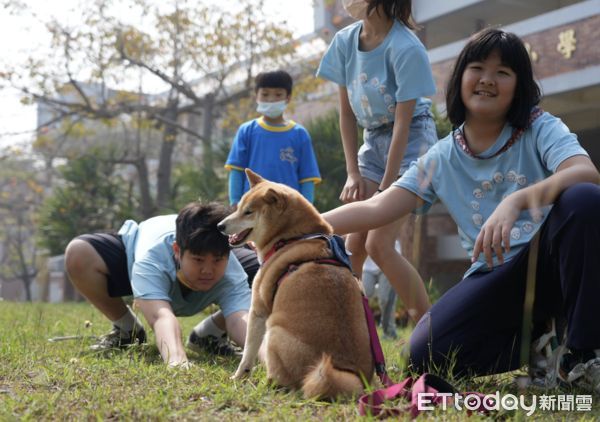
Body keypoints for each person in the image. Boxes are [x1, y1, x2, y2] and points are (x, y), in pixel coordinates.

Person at [322, 28, 600, 392]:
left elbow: (586, 172)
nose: (487, 79)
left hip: (548, 261)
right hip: (494, 275)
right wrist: (300, 224)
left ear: (519, 85)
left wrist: (515, 200)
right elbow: (377, 206)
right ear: (460, 79)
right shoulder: (441, 155)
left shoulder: (539, 128)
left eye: (503, 72)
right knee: (423, 357)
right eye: (477, 67)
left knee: (583, 199)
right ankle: (542, 345)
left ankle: (581, 354)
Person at [316, 0, 437, 322]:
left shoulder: (406, 47)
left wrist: (385, 188)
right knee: (352, 247)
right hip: (373, 141)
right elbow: (345, 113)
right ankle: (343, 326)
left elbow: (402, 124)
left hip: (413, 141)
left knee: (380, 245)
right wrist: (352, 173)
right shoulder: (344, 42)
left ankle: (431, 335)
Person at [64, 201, 259, 367]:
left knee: (273, 274)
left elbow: (240, 319)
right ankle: (127, 329)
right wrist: (177, 361)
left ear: (228, 254)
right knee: (79, 252)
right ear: (177, 250)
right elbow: (161, 317)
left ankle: (209, 335)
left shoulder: (232, 271)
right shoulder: (150, 260)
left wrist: (271, 360)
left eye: (218, 260)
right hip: (133, 261)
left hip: (213, 252)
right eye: (198, 260)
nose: (208, 270)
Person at [225, 70, 321, 207]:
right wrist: (235, 203)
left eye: (278, 94)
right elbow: (236, 170)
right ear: (256, 96)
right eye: (265, 94)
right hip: (252, 208)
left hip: (287, 209)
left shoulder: (300, 134)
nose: (271, 99)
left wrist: (305, 209)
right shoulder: (246, 131)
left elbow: (307, 178)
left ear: (288, 97)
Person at [362, 240, 401, 339]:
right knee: (365, 294)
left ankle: (388, 331)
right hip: (367, 267)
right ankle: (361, 328)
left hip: (386, 265)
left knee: (384, 299)